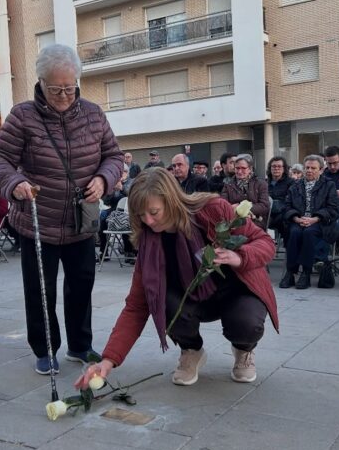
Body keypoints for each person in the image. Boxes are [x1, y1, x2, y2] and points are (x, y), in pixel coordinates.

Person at [0, 43, 123, 375]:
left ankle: (80, 344)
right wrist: (14, 182)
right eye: (55, 88)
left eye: (69, 88)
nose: (63, 96)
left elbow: (114, 156)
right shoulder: (23, 116)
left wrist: (104, 179)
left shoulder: (93, 114)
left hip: (82, 219)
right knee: (40, 290)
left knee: (82, 285)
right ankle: (46, 348)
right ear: (41, 82)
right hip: (37, 220)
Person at [73, 168, 278, 388]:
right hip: (190, 299)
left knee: (246, 323)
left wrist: (239, 256)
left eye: (154, 212)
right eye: (141, 215)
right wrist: (109, 360)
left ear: (171, 200)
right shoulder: (149, 242)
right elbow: (135, 306)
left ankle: (243, 349)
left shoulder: (213, 210)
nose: (148, 221)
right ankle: (191, 350)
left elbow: (265, 243)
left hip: (235, 293)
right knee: (161, 301)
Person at [279, 155, 339, 289]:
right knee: (294, 232)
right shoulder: (295, 186)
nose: (309, 171)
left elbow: (334, 209)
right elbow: (287, 207)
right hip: (298, 220)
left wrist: (315, 219)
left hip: (320, 222)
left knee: (308, 233)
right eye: (307, 167)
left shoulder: (329, 185)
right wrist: (296, 218)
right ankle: (290, 273)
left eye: (313, 168)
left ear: (321, 170)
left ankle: (306, 273)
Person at [221, 153, 270, 231]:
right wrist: (236, 212)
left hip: (256, 221)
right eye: (237, 168)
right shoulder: (228, 185)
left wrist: (243, 210)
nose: (240, 171)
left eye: (243, 168)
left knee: (244, 227)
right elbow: (223, 205)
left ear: (250, 169)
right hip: (233, 220)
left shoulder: (260, 183)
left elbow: (264, 206)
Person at [266, 156, 295, 244]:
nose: (276, 168)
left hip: (282, 214)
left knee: (286, 219)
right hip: (267, 214)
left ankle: (288, 247)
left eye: (279, 166)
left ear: (284, 168)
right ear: (270, 168)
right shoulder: (264, 182)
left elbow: (290, 200)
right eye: (274, 166)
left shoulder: (291, 182)